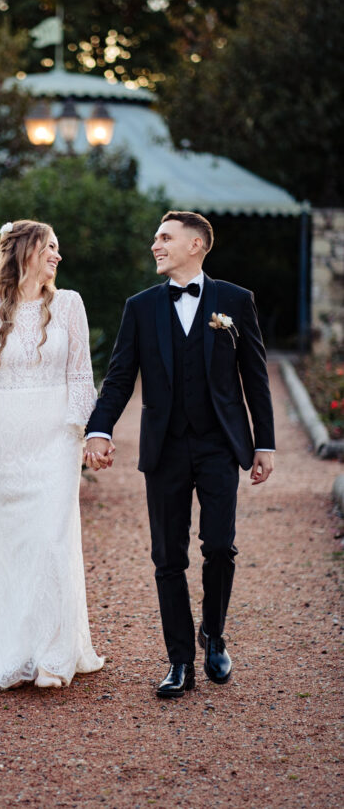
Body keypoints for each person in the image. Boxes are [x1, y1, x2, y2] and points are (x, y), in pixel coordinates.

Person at [84, 211, 275, 697]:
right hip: (164, 448)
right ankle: (179, 661)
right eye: (155, 238)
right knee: (168, 557)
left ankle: (213, 635)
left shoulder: (235, 301)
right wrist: (99, 430)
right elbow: (121, 376)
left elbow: (255, 376)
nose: (156, 245)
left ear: (196, 245)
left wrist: (263, 443)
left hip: (218, 444)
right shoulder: (141, 307)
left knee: (219, 547)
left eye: (165, 237)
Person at [0, 219, 104, 690]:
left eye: (58, 246)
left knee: (50, 540)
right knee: (5, 543)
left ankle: (54, 655)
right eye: (49, 246)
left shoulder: (70, 304)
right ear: (24, 250)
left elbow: (81, 375)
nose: (58, 254)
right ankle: (7, 651)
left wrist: (83, 433)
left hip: (55, 439)